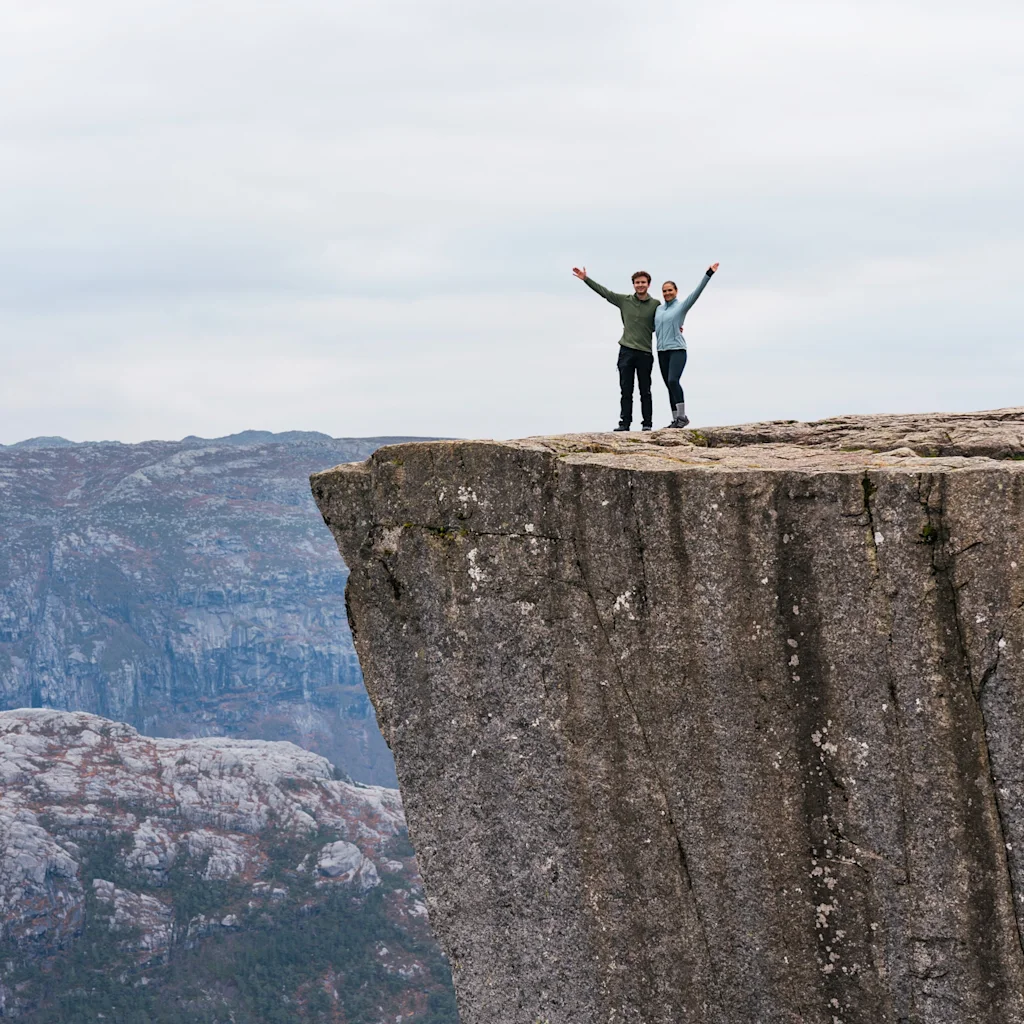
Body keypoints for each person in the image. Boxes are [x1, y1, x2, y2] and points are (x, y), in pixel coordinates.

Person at [572, 266, 658, 431]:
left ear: (648, 284)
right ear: (633, 284)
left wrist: (677, 327)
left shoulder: (655, 304)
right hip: (626, 350)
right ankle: (624, 423)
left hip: (645, 352)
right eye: (637, 282)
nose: (640, 285)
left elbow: (664, 320)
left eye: (643, 282)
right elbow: (605, 293)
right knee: (626, 390)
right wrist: (586, 279)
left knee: (645, 390)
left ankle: (647, 424)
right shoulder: (624, 300)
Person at [654, 263, 719, 428]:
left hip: (677, 350)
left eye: (670, 290)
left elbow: (697, 293)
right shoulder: (658, 310)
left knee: (673, 380)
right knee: (669, 385)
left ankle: (682, 417)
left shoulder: (681, 306)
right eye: (664, 291)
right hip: (662, 352)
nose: (667, 293)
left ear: (676, 292)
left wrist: (708, 274)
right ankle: (675, 419)